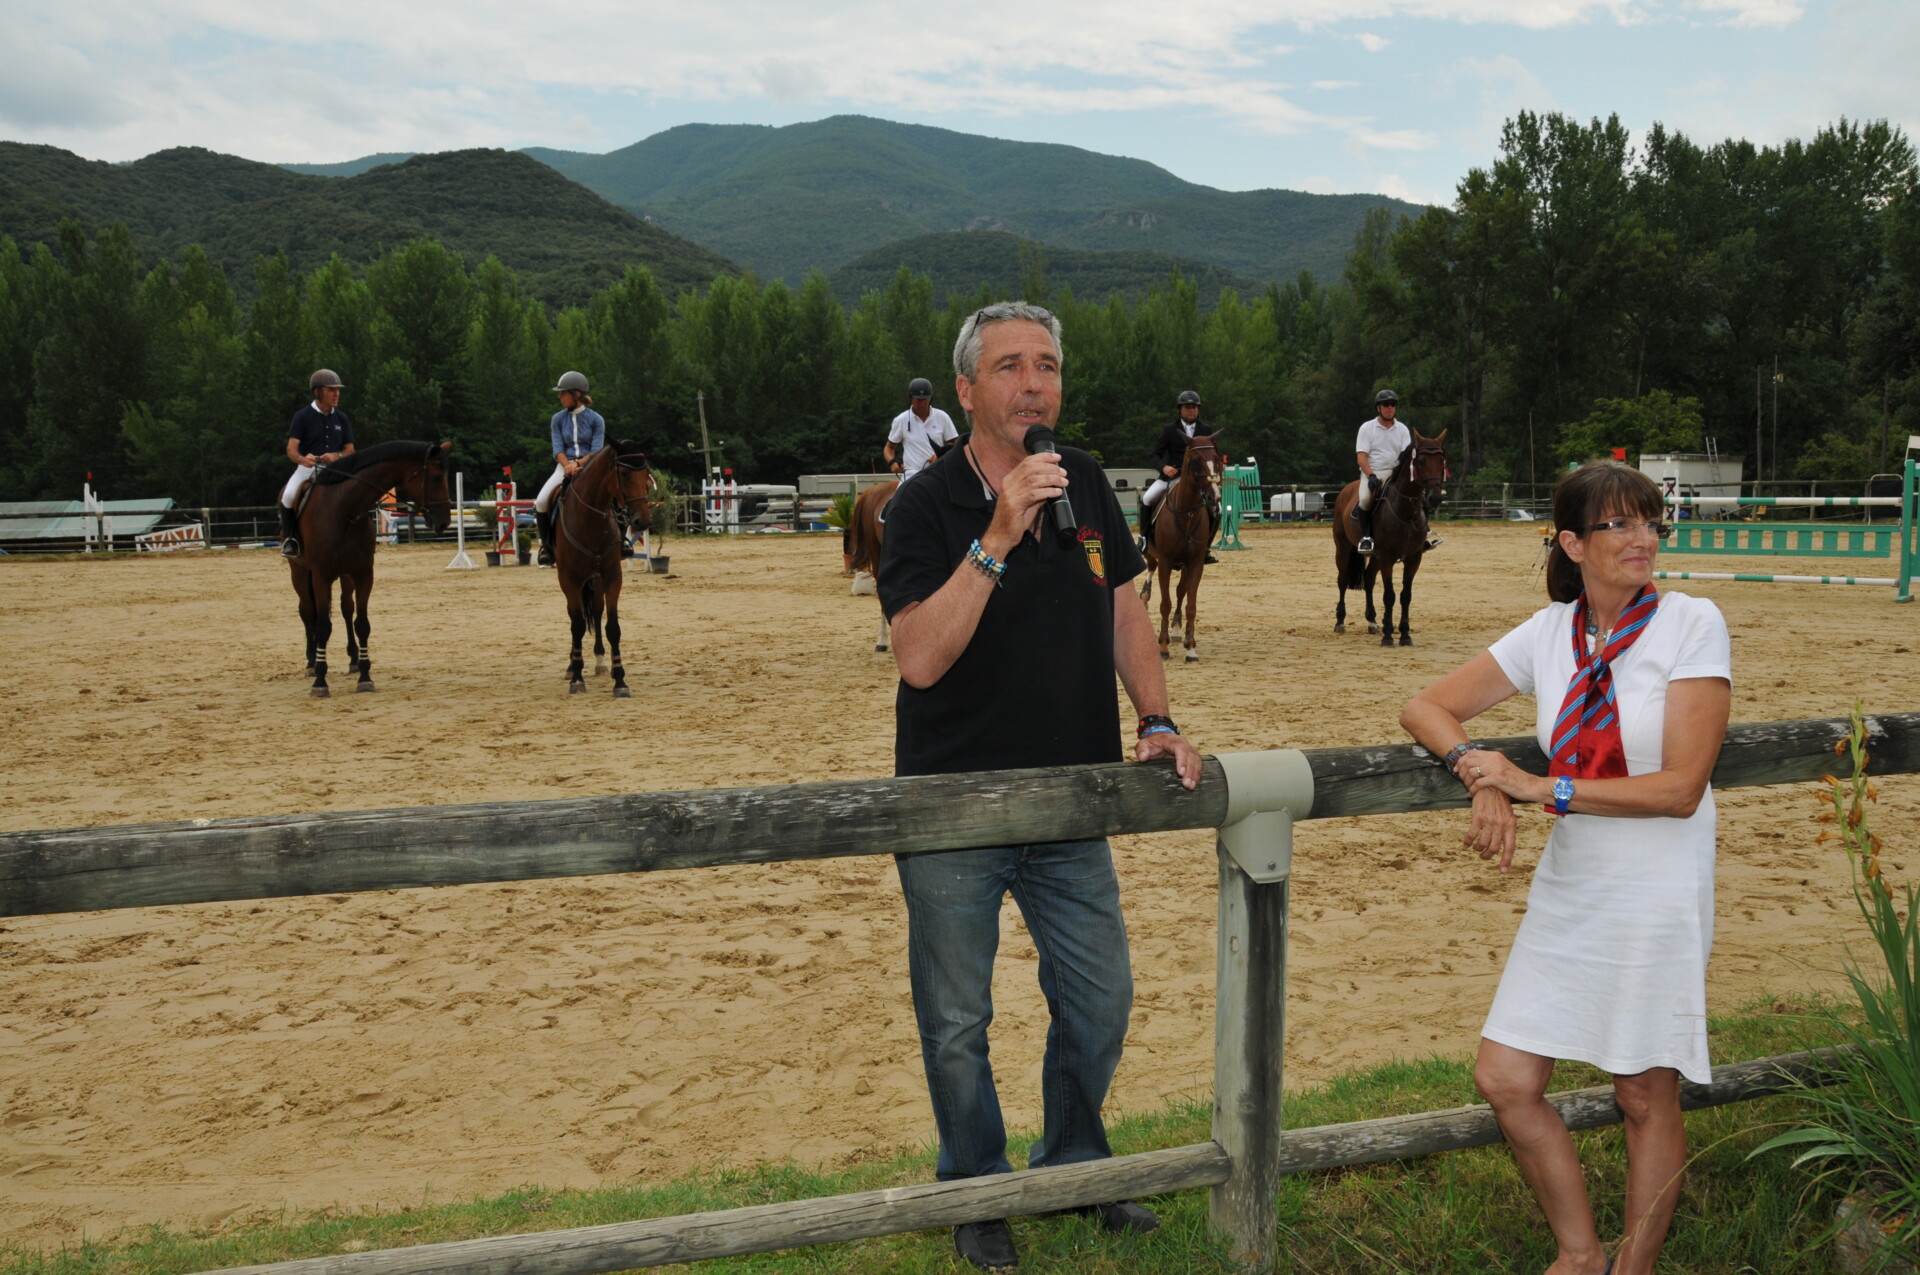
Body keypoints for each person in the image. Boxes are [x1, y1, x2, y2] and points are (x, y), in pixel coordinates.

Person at [877, 301, 1203, 1274]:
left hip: (1071, 800)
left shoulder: (1088, 482)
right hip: (952, 806)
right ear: (967, 391)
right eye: (1011, 366)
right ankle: (978, 1191)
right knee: (957, 1022)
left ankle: (1071, 1164)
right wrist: (997, 536)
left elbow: (1121, 610)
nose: (1034, 384)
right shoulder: (923, 508)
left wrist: (1156, 716)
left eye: (1048, 366)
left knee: (1101, 1001)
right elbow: (920, 660)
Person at [1399, 461, 1731, 1275]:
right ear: (1573, 543)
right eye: (1620, 525)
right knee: (1506, 1076)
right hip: (1575, 876)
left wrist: (1535, 785)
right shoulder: (1550, 631)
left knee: (1643, 1091)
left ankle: (1633, 1266)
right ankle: (1579, 1254)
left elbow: (1682, 787)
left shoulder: (1692, 621)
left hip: (1658, 878)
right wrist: (1479, 767)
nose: (1643, 538)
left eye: (1650, 520)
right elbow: (1425, 706)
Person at [1353, 388, 1442, 553]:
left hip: (1396, 473)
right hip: (1374, 472)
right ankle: (1366, 537)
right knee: (1365, 499)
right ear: (1378, 408)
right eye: (1386, 404)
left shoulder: (1402, 429)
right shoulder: (1367, 428)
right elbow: (1361, 457)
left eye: (1393, 404)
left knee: (1420, 497)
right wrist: (1370, 475)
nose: (1390, 407)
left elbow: (1407, 456)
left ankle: (1425, 533)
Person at [280, 369, 356, 558]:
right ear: (317, 392)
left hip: (337, 469)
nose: (336, 394)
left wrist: (336, 455)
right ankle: (291, 539)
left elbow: (350, 450)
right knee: (288, 496)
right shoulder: (302, 416)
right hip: (308, 468)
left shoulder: (342, 418)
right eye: (331, 390)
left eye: (337, 390)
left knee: (357, 492)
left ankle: (360, 538)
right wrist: (302, 459)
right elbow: (291, 448)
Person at [534, 370, 607, 566]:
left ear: (576, 394)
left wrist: (578, 464)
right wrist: (568, 465)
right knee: (540, 502)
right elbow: (557, 449)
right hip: (563, 467)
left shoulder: (596, 419)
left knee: (614, 497)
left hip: (590, 467)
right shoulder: (557, 419)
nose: (560, 397)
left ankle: (623, 541)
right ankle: (547, 547)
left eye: (563, 393)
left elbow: (596, 451)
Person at [1139, 389, 1219, 563]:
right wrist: (1164, 467)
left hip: (1198, 480)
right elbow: (1154, 455)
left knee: (1216, 509)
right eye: (1188, 407)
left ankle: (1205, 548)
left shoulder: (1206, 430)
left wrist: (1217, 468)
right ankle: (1144, 538)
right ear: (1180, 409)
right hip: (1171, 477)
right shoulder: (1169, 430)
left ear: (1198, 410)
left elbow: (1213, 454)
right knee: (1146, 498)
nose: (1191, 410)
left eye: (1194, 407)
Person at [885, 376, 960, 496]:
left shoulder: (942, 417)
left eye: (926, 399)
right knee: (895, 505)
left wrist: (941, 455)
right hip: (911, 474)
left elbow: (955, 444)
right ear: (911, 399)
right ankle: (884, 515)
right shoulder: (901, 420)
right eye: (918, 399)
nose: (923, 403)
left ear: (931, 398)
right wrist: (892, 462)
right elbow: (889, 448)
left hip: (938, 471)